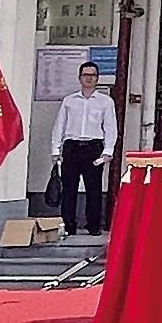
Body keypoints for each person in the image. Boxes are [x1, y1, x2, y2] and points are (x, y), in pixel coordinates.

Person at [50, 61, 115, 236]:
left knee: (94, 188)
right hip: (72, 147)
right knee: (69, 188)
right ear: (79, 78)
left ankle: (93, 226)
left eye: (92, 75)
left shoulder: (105, 102)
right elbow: (59, 125)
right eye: (86, 75)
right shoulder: (69, 101)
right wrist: (56, 150)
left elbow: (110, 127)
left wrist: (108, 151)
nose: (89, 78)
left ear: (97, 78)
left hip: (93, 147)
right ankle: (69, 226)